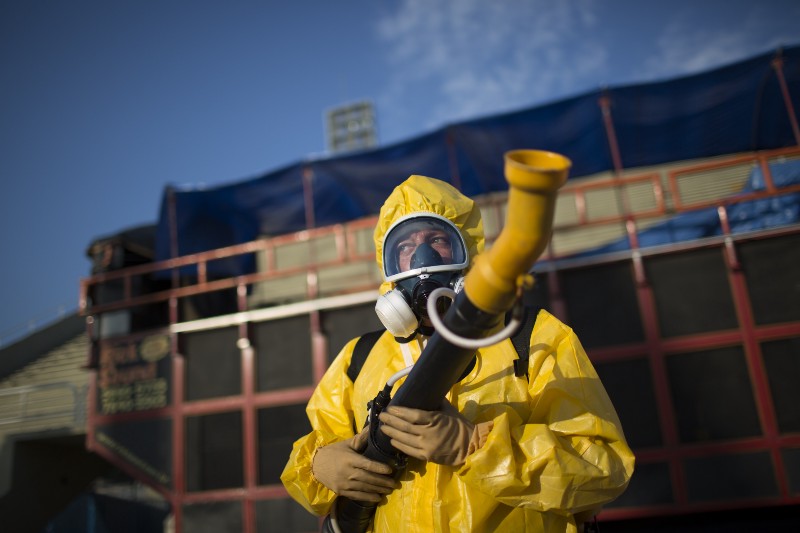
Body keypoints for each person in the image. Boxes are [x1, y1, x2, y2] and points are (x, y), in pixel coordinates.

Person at [281, 174, 635, 532]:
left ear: (467, 250)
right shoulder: (359, 358)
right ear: (387, 266)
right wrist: (318, 466)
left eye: (437, 240)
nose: (423, 256)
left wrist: (475, 447)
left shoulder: (532, 336)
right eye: (405, 246)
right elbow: (313, 454)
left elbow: (603, 468)